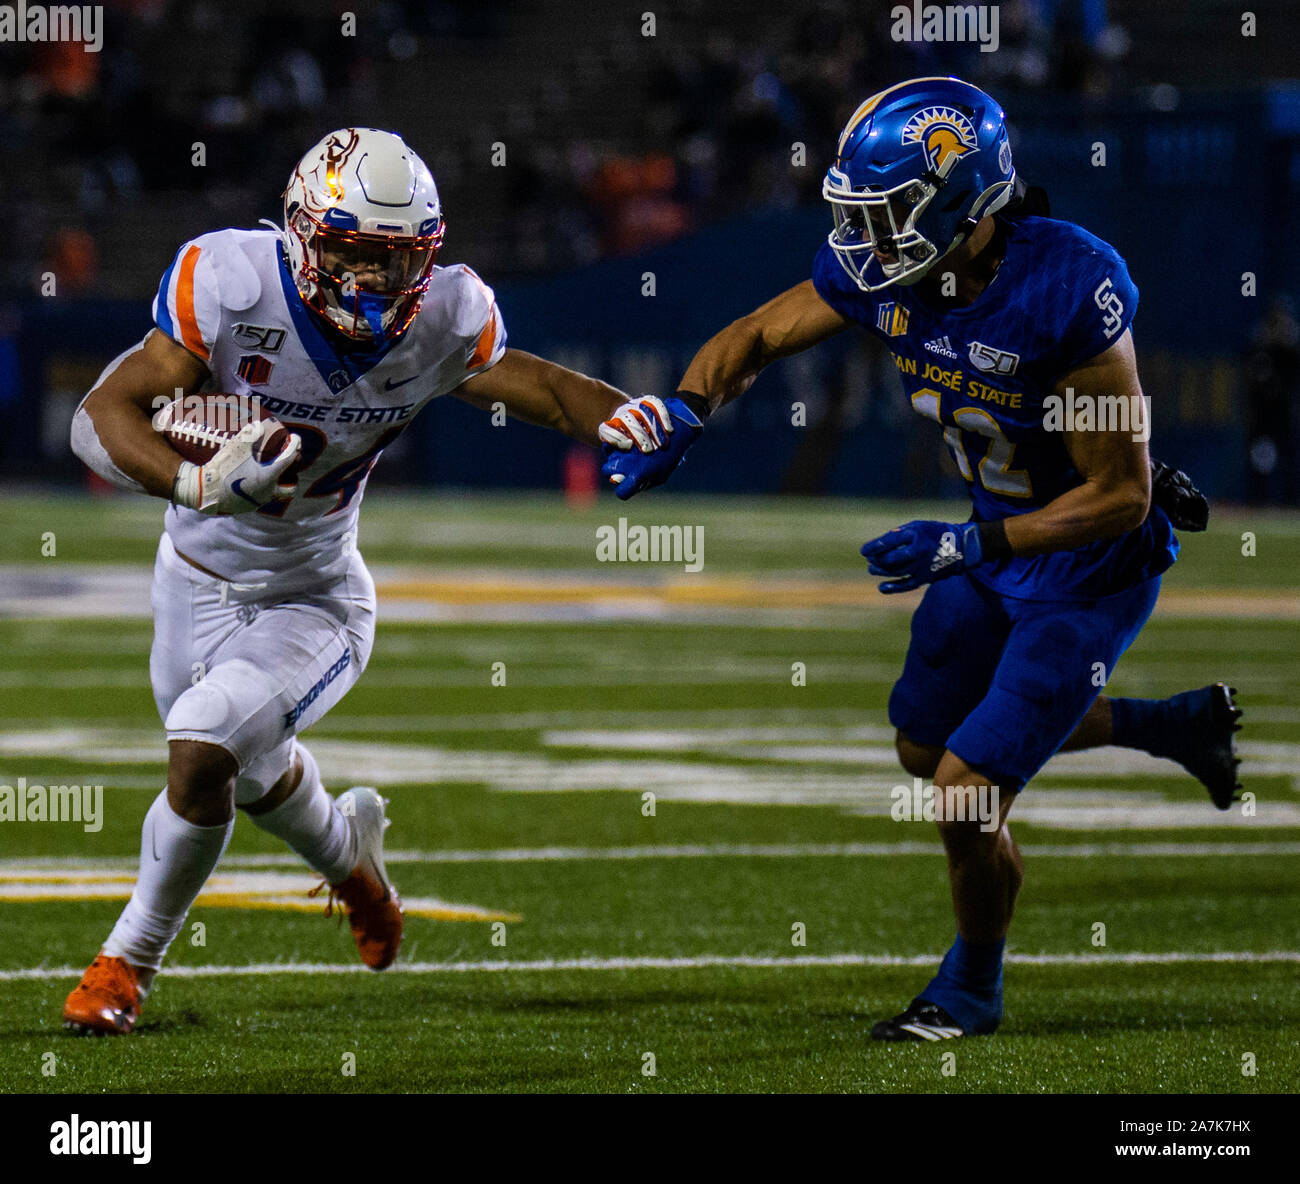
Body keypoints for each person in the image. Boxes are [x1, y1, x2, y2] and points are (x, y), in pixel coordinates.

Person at [598, 77, 1242, 1040]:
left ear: (966, 203)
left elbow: (1123, 497)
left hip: (1088, 569)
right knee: (921, 749)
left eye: (890, 214)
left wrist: (970, 541)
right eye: (861, 216)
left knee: (964, 790)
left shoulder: (1068, 285)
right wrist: (687, 409)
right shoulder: (884, 275)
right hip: (988, 544)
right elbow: (756, 335)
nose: (867, 242)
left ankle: (970, 988)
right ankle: (1173, 727)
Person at [66, 127, 638, 1034]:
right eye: (352, 256)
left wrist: (639, 420)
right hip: (190, 574)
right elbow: (100, 417)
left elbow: (543, 388)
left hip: (316, 595)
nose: (373, 283)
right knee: (244, 780)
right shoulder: (231, 283)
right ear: (300, 235)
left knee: (205, 745)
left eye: (395, 261)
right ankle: (356, 870)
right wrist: (195, 482)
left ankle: (126, 963)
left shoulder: (449, 317)